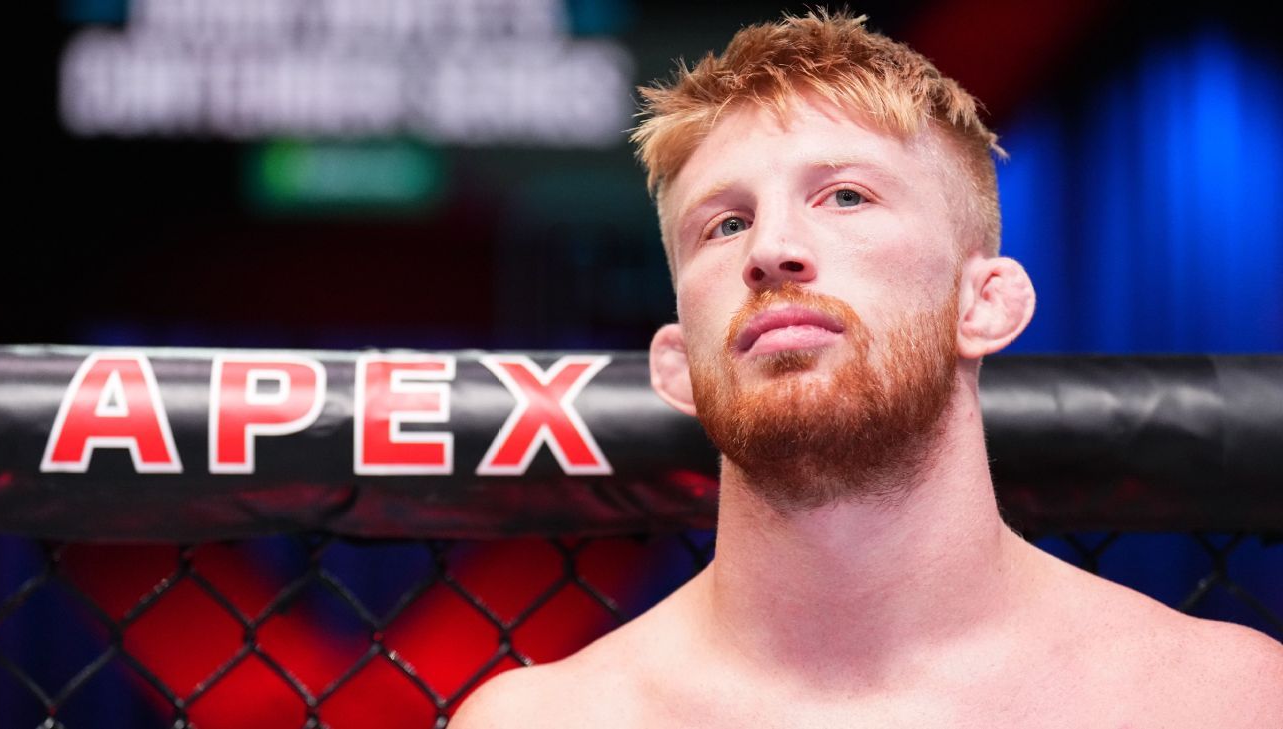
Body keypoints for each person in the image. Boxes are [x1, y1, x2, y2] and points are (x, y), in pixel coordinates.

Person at [452, 10, 1283, 727]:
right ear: (676, 366)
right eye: (725, 223)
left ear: (984, 304)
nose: (772, 249)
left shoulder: (1225, 699)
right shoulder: (538, 719)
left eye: (846, 196)